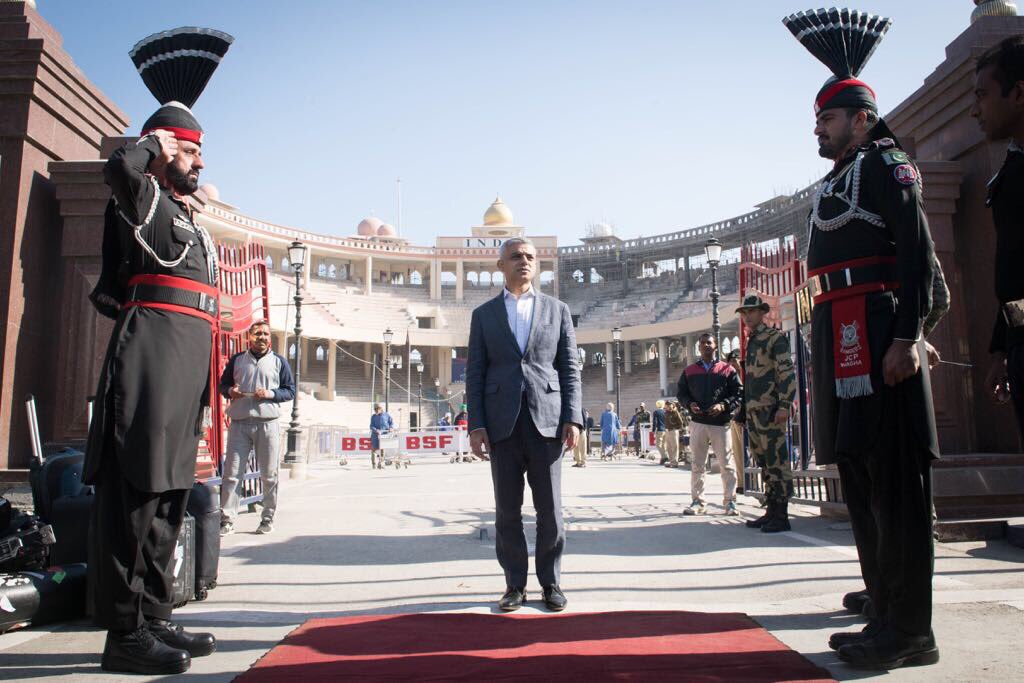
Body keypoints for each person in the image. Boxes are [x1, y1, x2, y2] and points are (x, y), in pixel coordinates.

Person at [783, 10, 940, 669]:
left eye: (827, 119)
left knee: (899, 488)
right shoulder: (834, 181)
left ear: (861, 118)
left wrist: (908, 336)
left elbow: (919, 257)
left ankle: (911, 631)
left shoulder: (888, 166)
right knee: (862, 479)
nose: (817, 128)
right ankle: (883, 612)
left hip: (881, 338)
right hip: (841, 339)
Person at [82, 26, 232, 675]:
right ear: (165, 149)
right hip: (149, 358)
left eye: (199, 151)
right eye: (189, 151)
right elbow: (118, 167)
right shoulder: (139, 196)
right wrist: (152, 143)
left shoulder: (182, 212)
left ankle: (152, 614)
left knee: (170, 492)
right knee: (138, 494)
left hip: (183, 362)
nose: (199, 162)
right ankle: (124, 634)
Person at [466, 237, 582, 613]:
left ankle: (551, 583)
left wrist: (573, 418)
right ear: (500, 265)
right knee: (506, 510)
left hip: (547, 421)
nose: (524, 262)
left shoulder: (558, 310)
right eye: (515, 256)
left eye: (530, 257)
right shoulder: (483, 316)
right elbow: (476, 374)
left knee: (550, 509)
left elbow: (569, 370)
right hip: (501, 425)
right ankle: (514, 585)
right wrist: (476, 424)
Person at [975, 36, 1024, 440]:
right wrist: (1002, 347)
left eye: (983, 95)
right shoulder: (1011, 168)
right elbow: (1012, 268)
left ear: (1018, 93)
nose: (976, 110)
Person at [218, 320, 295, 536]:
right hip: (240, 423)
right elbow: (222, 385)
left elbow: (289, 391)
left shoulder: (279, 362)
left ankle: (268, 517)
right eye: (257, 333)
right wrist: (230, 391)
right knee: (232, 473)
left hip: (267, 424)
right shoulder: (237, 360)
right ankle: (227, 519)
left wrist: (270, 394)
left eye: (265, 334)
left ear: (269, 338)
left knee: (269, 473)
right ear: (249, 336)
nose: (261, 337)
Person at [735, 295, 796, 533]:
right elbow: (750, 380)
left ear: (762, 312)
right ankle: (771, 510)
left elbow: (786, 373)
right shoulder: (752, 341)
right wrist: (744, 410)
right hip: (754, 411)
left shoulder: (774, 338)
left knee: (777, 461)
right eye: (744, 313)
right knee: (764, 461)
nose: (747, 317)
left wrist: (784, 405)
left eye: (751, 312)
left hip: (770, 410)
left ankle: (782, 514)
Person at [676, 333, 742, 516]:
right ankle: (698, 501)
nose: (706, 345)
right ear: (699, 347)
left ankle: (730, 502)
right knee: (697, 464)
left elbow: (738, 393)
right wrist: (689, 404)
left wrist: (724, 405)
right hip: (698, 423)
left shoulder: (727, 370)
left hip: (720, 423)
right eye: (703, 343)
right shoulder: (689, 371)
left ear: (716, 346)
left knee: (727, 464)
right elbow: (681, 394)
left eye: (709, 342)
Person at [725, 351, 746, 492]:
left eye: (735, 359)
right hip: (735, 417)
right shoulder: (730, 376)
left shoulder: (747, 372)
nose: (733, 363)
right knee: (738, 452)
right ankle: (742, 482)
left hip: (749, 417)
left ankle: (757, 482)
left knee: (753, 453)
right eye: (731, 360)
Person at [369, 404, 394, 470]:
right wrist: (376, 430)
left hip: (384, 435)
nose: (376, 410)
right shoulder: (373, 417)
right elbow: (371, 426)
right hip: (375, 435)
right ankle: (374, 464)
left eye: (377, 409)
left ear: (381, 409)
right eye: (375, 409)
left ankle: (381, 463)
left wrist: (391, 428)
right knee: (374, 449)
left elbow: (391, 422)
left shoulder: (386, 415)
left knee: (382, 449)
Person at [663, 400, 686, 468]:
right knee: (668, 447)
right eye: (667, 405)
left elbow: (680, 422)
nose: (668, 406)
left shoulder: (675, 412)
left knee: (674, 447)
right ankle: (671, 462)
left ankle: (675, 463)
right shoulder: (666, 413)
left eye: (670, 405)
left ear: (672, 405)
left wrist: (676, 428)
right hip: (667, 431)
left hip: (673, 431)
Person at [652, 400, 668, 464]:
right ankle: (663, 459)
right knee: (664, 445)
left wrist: (653, 430)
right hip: (666, 430)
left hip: (659, 430)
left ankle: (665, 456)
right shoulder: (666, 411)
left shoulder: (656, 412)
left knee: (658, 445)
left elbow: (655, 422)